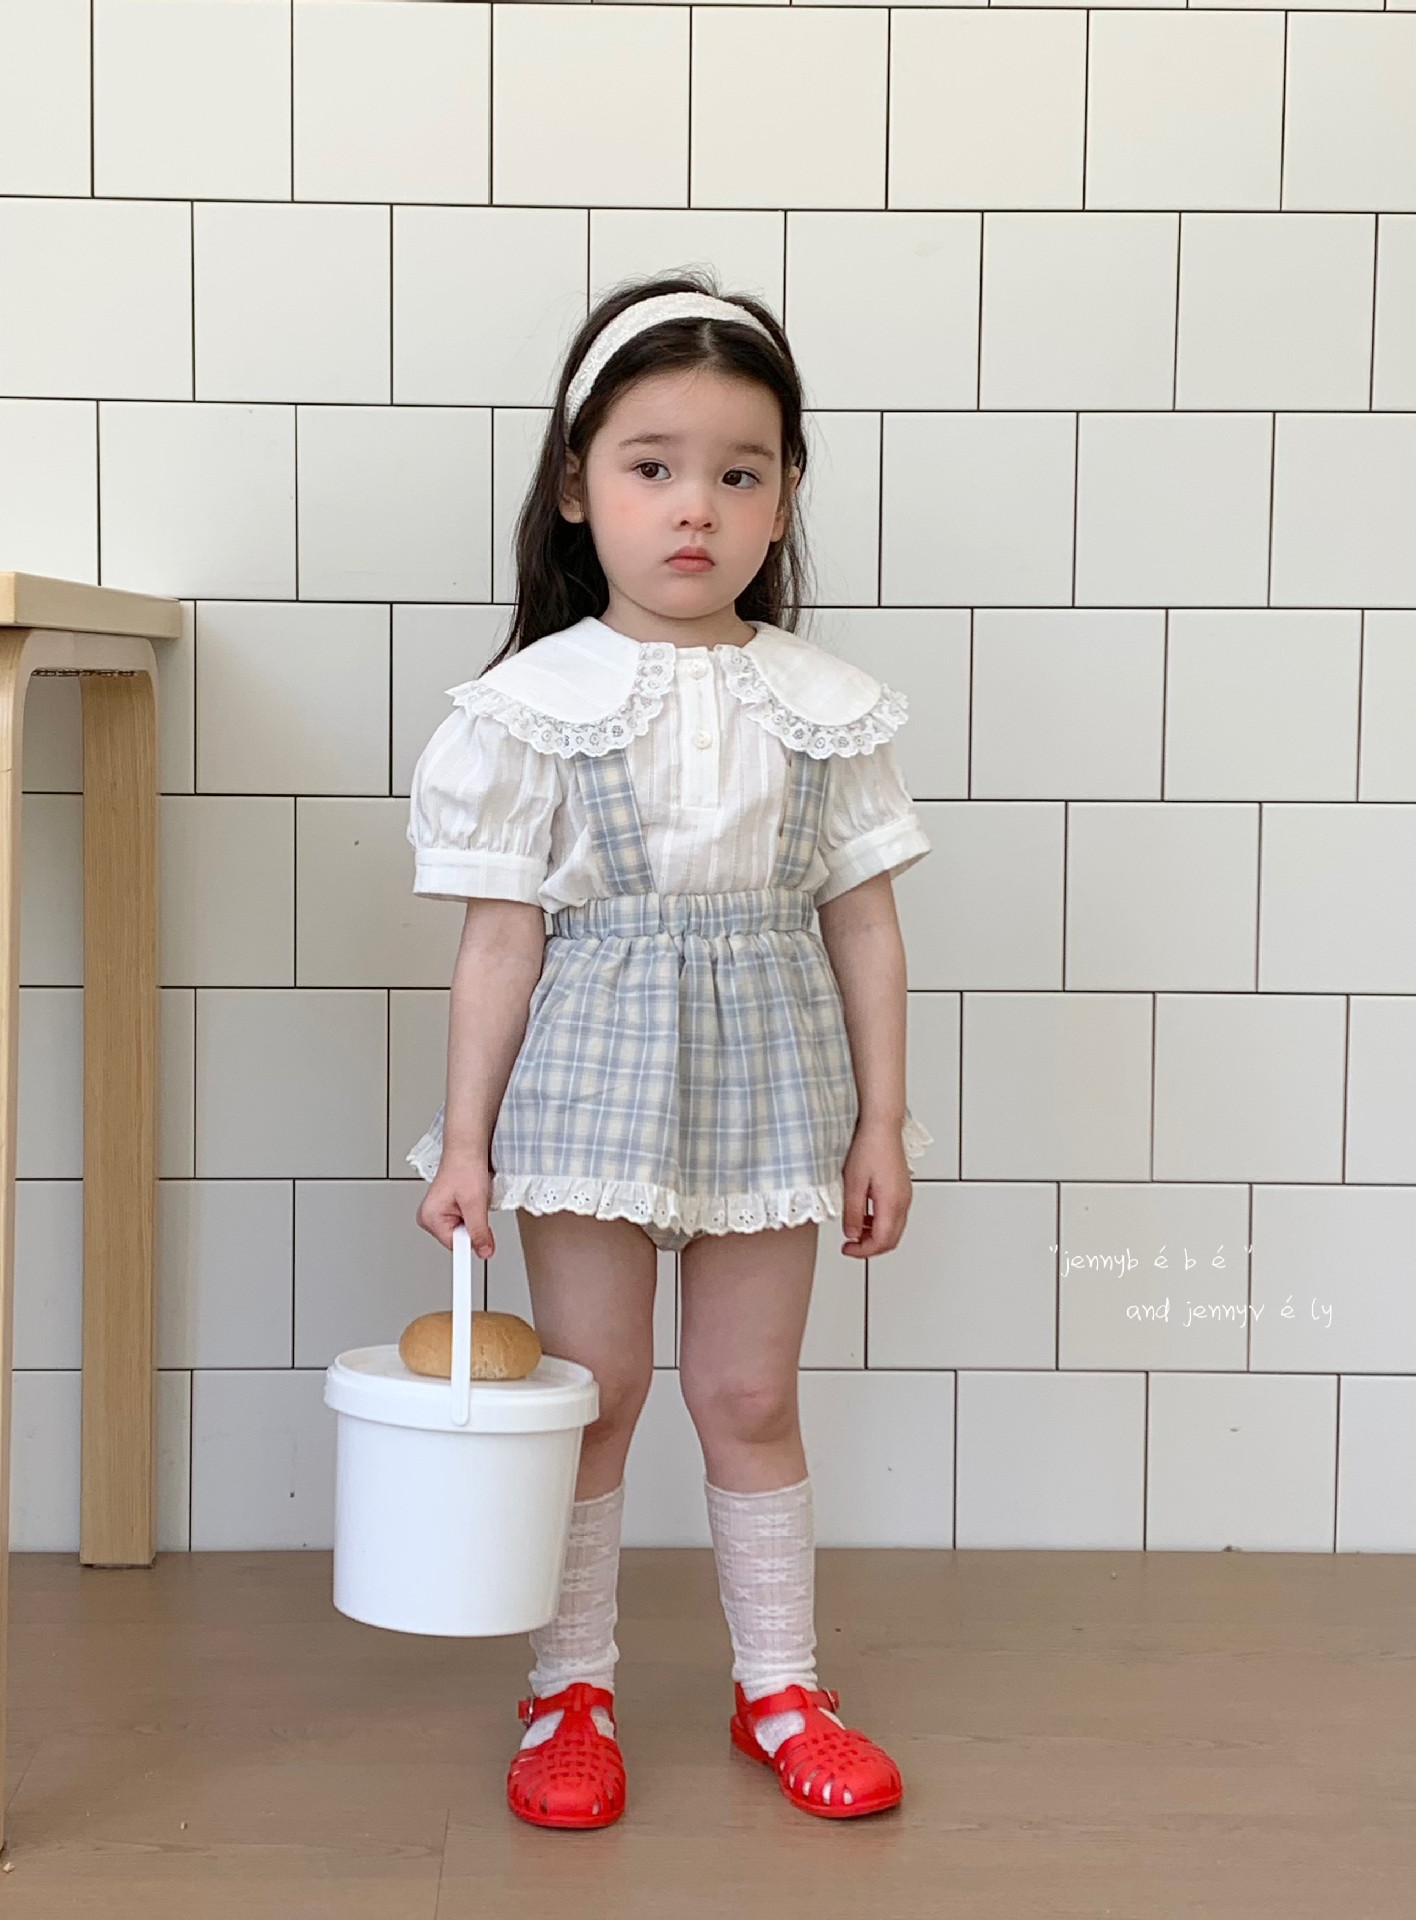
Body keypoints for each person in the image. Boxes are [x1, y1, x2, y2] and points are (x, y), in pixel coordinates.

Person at [405, 271, 934, 1830]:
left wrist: (882, 1123)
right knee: (598, 1391)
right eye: (653, 466)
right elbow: (499, 945)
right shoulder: (533, 706)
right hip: (589, 1077)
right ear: (579, 489)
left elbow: (866, 928)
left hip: (775, 1078)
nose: (695, 506)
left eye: (740, 473)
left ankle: (781, 1687)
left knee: (750, 1395)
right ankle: (568, 1689)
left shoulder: (824, 708)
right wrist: (465, 1142)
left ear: (783, 500)